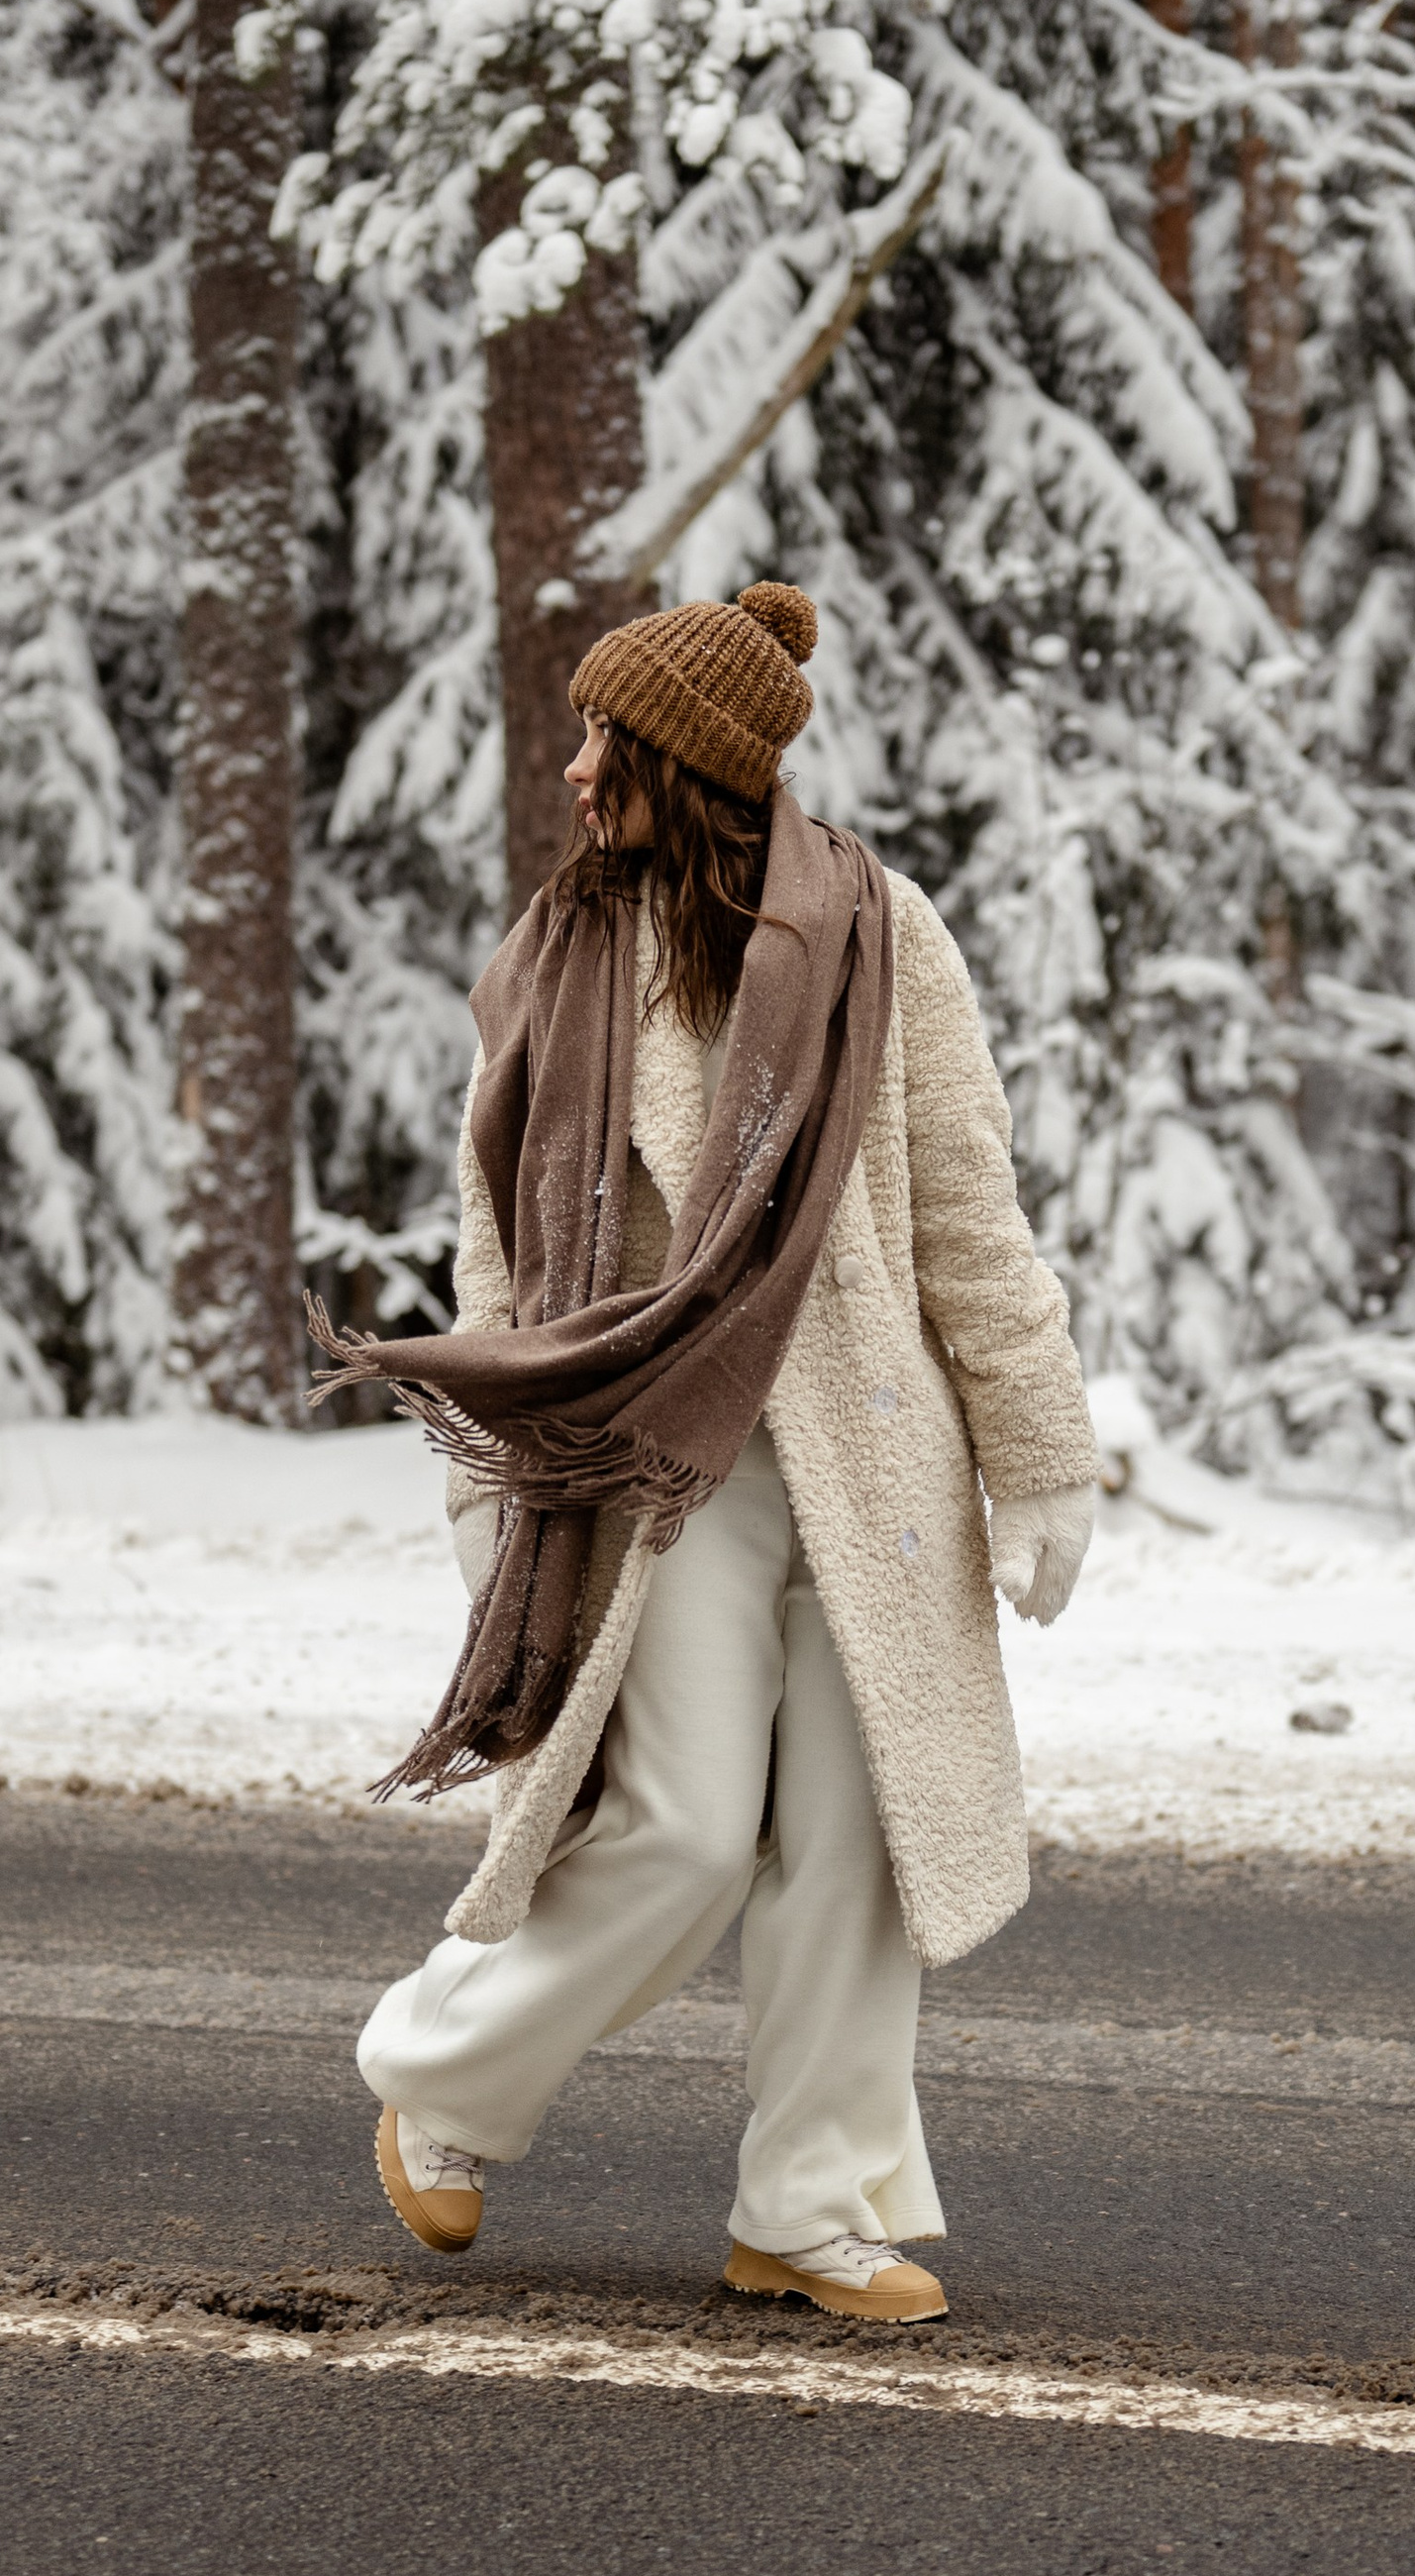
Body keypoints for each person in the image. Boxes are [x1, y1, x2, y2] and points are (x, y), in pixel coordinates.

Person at [319, 579, 1096, 2324]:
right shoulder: (556, 959)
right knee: (676, 1831)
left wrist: (1042, 1455)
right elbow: (500, 1244)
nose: (580, 768)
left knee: (855, 1839)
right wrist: (490, 1482)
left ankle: (807, 2208)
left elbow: (970, 1215)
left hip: (881, 1469)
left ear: (693, 765)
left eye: (613, 739)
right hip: (658, 1469)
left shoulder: (881, 937)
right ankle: (441, 2078)